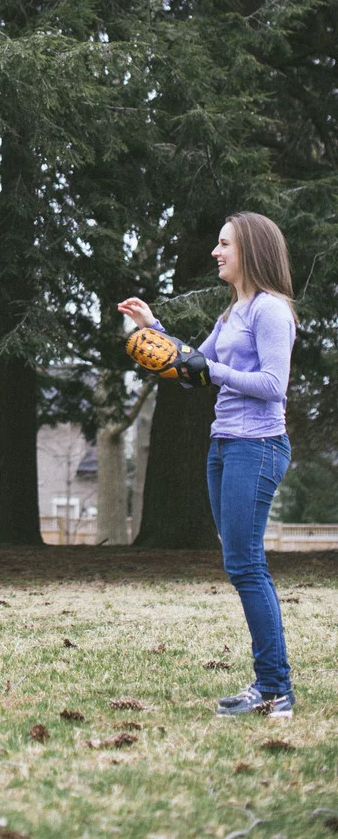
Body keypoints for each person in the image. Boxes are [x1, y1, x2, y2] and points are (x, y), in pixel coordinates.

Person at [118, 211, 297, 719]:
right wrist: (153, 330)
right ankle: (268, 684)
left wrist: (210, 368)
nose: (216, 253)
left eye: (225, 245)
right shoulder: (231, 315)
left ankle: (275, 690)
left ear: (252, 252)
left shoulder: (270, 311)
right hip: (224, 446)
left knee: (246, 565)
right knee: (239, 564)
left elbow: (272, 385)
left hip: (257, 445)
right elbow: (192, 369)